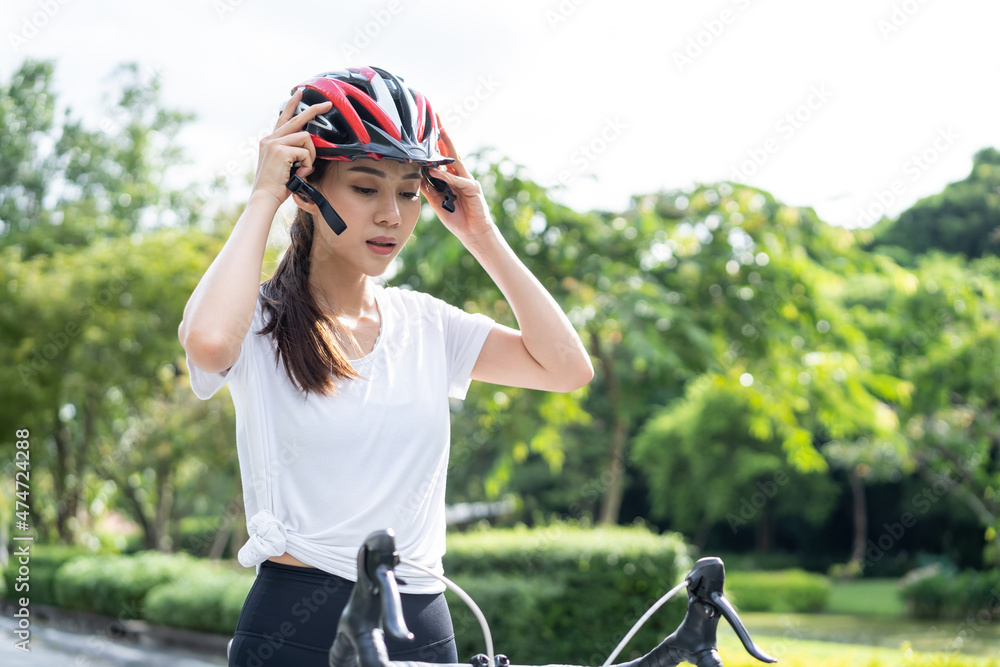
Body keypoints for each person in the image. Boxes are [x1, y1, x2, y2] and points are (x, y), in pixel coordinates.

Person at [178, 66, 593, 667]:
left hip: (423, 622)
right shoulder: (257, 320)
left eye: (407, 192)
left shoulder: (427, 324)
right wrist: (264, 195)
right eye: (366, 188)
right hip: (298, 626)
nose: (392, 216)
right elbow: (210, 344)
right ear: (308, 190)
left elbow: (566, 368)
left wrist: (481, 236)